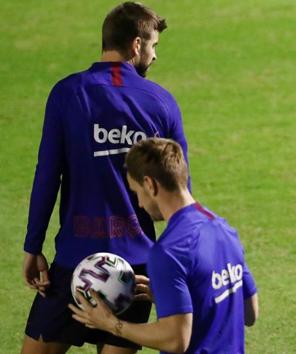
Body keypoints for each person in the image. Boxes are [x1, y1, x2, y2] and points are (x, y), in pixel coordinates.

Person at [21, 3, 189, 353]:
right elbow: (178, 192)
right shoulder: (162, 103)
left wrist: (32, 246)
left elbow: (47, 174)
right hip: (138, 269)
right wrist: (174, 266)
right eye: (154, 45)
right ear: (136, 45)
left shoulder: (67, 94)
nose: (155, 56)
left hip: (73, 263)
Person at [69, 138, 259, 354]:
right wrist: (178, 297)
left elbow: (175, 341)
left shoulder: (168, 252)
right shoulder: (223, 229)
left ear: (150, 184)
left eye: (136, 191)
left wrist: (111, 324)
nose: (139, 203)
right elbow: (250, 313)